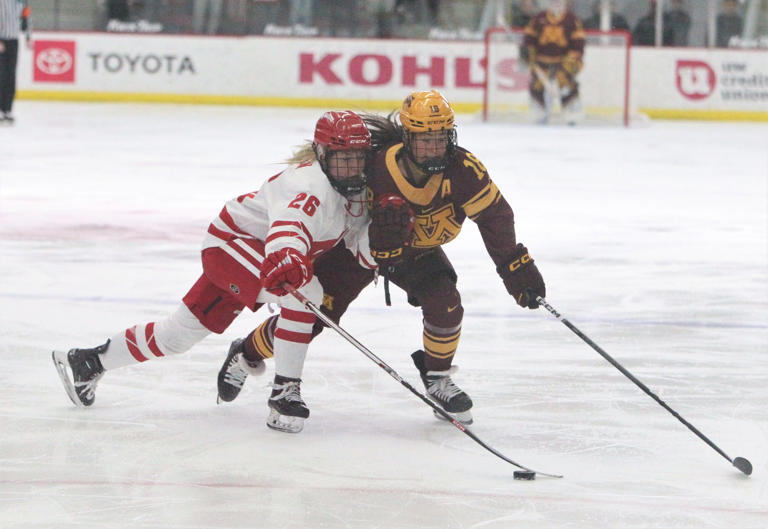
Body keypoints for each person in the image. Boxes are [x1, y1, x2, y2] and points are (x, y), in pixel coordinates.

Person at [219, 90, 546, 427]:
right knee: (313, 319)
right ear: (407, 138)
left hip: (416, 251)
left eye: (441, 138)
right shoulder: (375, 165)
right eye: (424, 140)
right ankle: (246, 353)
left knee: (446, 303)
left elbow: (495, 217)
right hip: (355, 252)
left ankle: (438, 378)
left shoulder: (464, 170)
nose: (434, 148)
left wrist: (515, 267)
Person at [52, 111, 377, 434]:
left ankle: (88, 362)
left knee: (176, 336)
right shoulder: (307, 184)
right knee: (308, 294)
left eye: (357, 158)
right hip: (232, 246)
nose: (351, 168)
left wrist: (387, 243)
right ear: (322, 154)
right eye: (342, 158)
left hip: (253, 255)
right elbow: (289, 226)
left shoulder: (359, 193)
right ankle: (284, 393)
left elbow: (359, 247)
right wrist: (288, 253)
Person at [522, 0, 585, 124]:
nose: (556, 3)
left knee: (567, 85)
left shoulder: (572, 20)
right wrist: (527, 52)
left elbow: (578, 45)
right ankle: (539, 113)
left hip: (563, 61)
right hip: (542, 62)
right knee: (537, 86)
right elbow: (529, 39)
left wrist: (570, 62)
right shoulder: (538, 18)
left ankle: (572, 114)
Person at [0, 0, 30, 125]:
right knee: (2, 75)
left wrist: (28, 37)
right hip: (1, 40)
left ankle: (7, 110)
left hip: (13, 41)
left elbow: (26, 18)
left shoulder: (21, 1)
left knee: (11, 76)